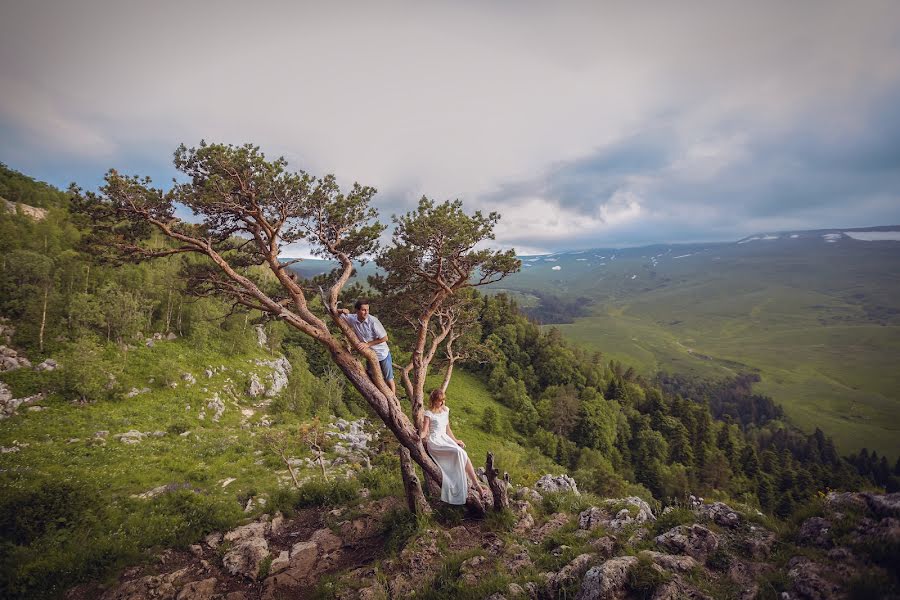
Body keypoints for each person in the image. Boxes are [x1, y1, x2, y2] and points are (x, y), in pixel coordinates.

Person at [420, 388, 486, 504]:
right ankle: (469, 486)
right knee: (458, 452)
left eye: (443, 400)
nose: (441, 402)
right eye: (439, 400)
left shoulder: (445, 410)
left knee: (463, 453)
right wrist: (419, 436)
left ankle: (477, 486)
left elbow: (447, 429)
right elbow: (425, 431)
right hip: (435, 442)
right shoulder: (428, 413)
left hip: (445, 439)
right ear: (433, 400)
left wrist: (455, 440)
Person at [339, 299, 396, 395]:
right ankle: (379, 395)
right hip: (370, 355)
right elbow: (334, 312)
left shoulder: (373, 321)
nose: (366, 312)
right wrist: (341, 310)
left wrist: (367, 344)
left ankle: (394, 399)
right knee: (371, 376)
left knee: (388, 378)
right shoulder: (353, 318)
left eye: (367, 310)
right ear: (357, 310)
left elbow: (385, 338)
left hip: (382, 354)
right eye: (363, 310)